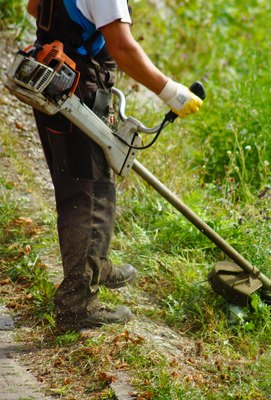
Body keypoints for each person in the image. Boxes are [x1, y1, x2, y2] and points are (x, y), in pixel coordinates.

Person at [26, 0, 203, 330]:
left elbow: (34, 8)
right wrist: (171, 92)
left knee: (79, 188)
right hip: (77, 89)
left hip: (49, 79)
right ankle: (77, 304)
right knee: (90, 198)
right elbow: (123, 47)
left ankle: (94, 265)